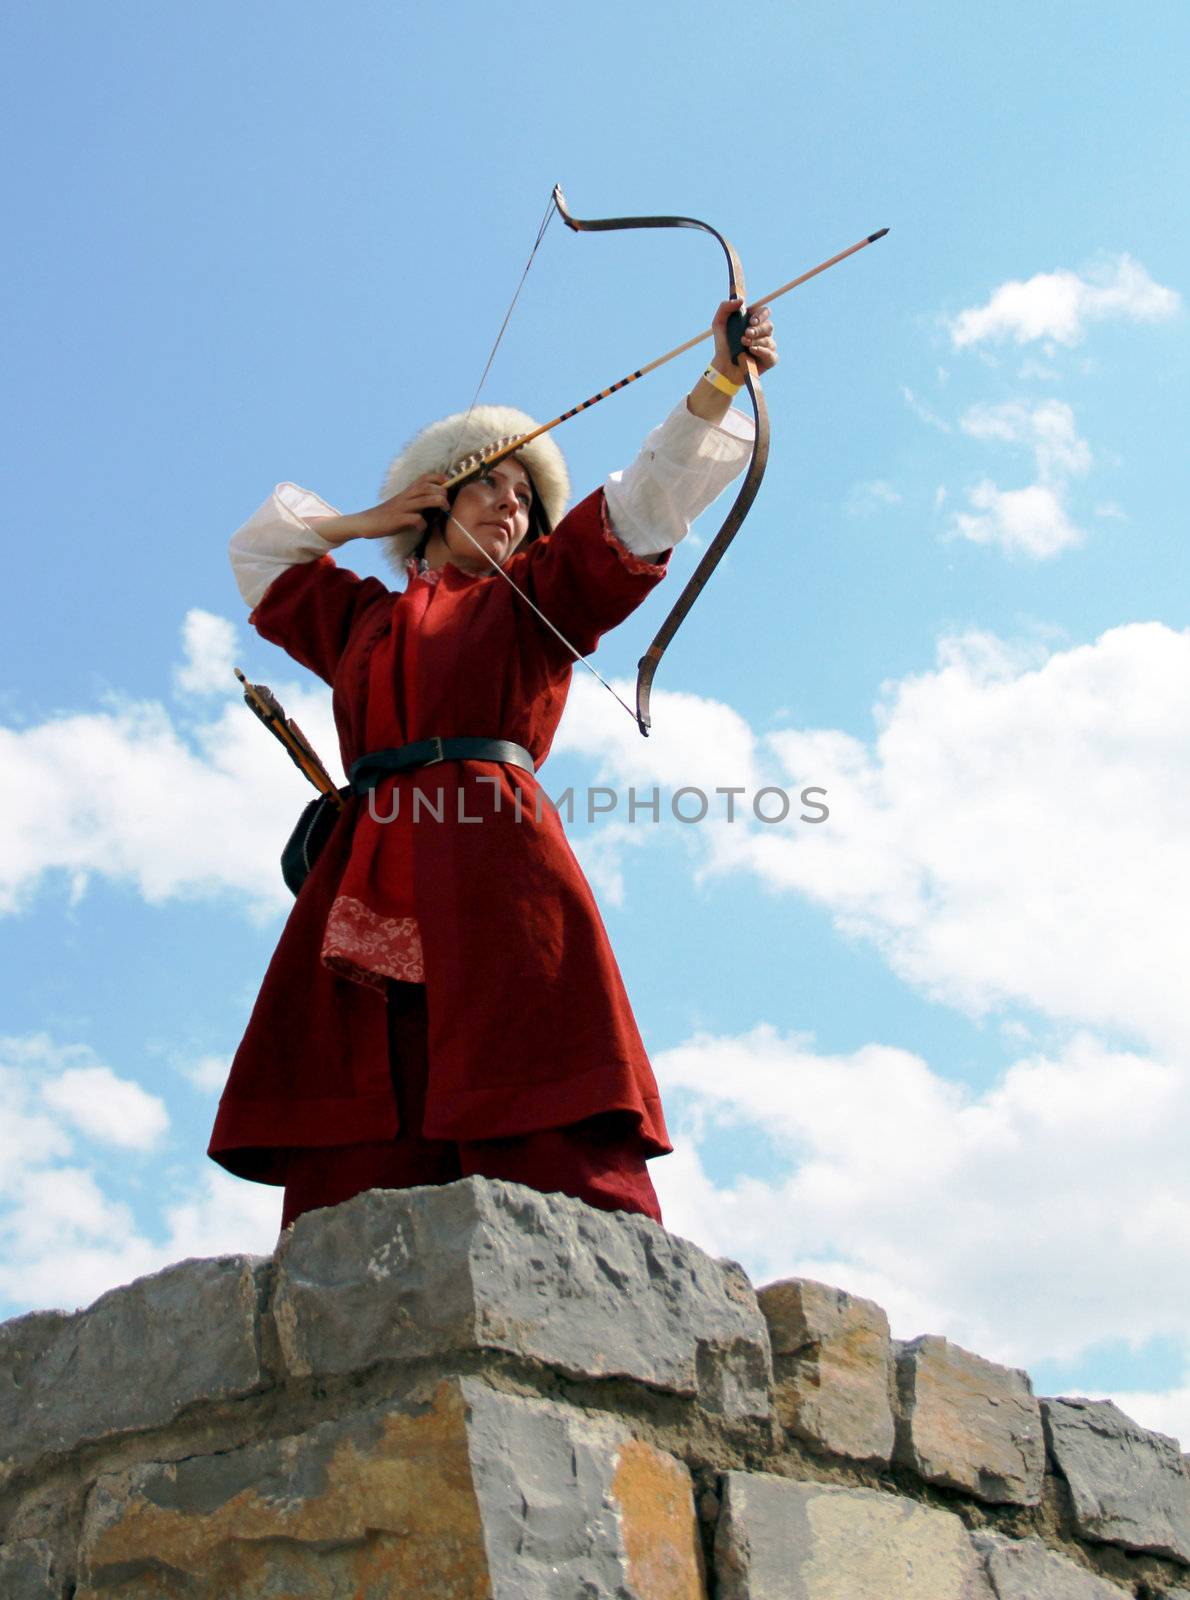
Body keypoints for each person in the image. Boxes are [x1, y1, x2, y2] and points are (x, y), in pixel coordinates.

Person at [208, 299, 778, 1230]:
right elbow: (259, 554)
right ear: (436, 499)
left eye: (527, 497)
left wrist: (716, 386)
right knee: (367, 1081)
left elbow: (638, 507)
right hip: (371, 858)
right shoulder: (360, 617)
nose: (514, 504)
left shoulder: (533, 601)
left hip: (495, 852)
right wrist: (368, 519)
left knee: (523, 1051)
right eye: (490, 485)